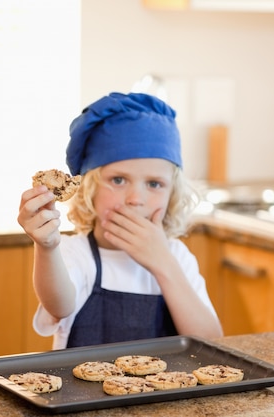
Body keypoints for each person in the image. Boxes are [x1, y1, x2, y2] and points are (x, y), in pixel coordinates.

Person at [18, 92, 223, 350]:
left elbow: (211, 345)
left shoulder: (177, 257)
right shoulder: (76, 253)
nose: (136, 198)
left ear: (173, 194)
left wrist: (163, 264)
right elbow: (59, 305)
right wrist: (47, 247)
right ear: (89, 188)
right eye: (118, 180)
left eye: (154, 184)